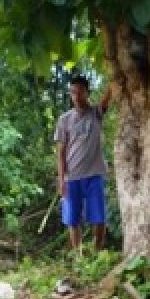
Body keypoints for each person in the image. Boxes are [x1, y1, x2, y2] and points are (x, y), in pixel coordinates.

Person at [55, 76, 112, 250]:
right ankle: (78, 257)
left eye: (80, 92)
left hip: (94, 174)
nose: (77, 96)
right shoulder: (64, 119)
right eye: (73, 92)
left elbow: (108, 96)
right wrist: (61, 178)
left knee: (99, 217)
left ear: (87, 93)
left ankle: (97, 251)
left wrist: (114, 79)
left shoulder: (96, 113)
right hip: (72, 177)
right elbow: (61, 151)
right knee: (73, 219)